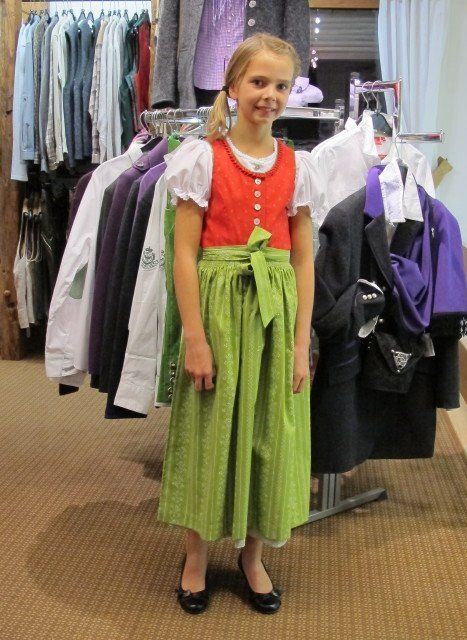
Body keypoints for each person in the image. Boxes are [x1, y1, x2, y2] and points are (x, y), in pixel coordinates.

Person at [158, 33, 320, 615]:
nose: (269, 94)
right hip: (220, 311)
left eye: (281, 85)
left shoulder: (298, 166)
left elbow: (304, 259)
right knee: (209, 430)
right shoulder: (202, 159)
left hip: (276, 314)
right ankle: (195, 556)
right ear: (231, 86)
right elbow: (184, 254)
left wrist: (300, 344)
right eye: (258, 82)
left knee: (267, 435)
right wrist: (194, 338)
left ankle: (253, 556)